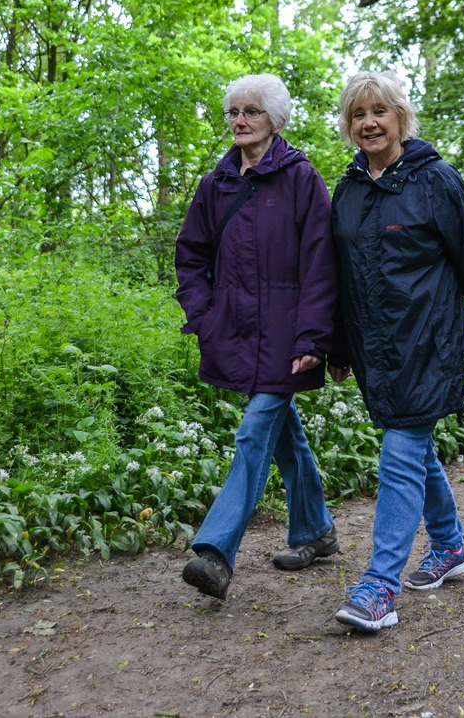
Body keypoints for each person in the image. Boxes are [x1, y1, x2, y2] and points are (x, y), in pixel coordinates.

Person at [327, 72, 464, 633]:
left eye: (379, 111)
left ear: (400, 117)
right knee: (410, 445)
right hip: (373, 346)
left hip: (427, 339)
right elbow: (342, 275)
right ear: (348, 125)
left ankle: (380, 587)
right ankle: (450, 546)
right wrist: (339, 346)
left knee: (400, 448)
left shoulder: (435, 180)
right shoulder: (350, 189)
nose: (369, 122)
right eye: (358, 114)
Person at [173, 74, 339, 601]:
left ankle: (215, 552)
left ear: (275, 120)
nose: (239, 121)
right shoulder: (215, 184)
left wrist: (315, 336)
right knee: (283, 433)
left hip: (290, 338)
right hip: (238, 335)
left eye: (251, 112)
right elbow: (191, 257)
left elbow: (322, 265)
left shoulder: (301, 179)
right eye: (233, 112)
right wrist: (204, 315)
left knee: (254, 432)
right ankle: (316, 531)